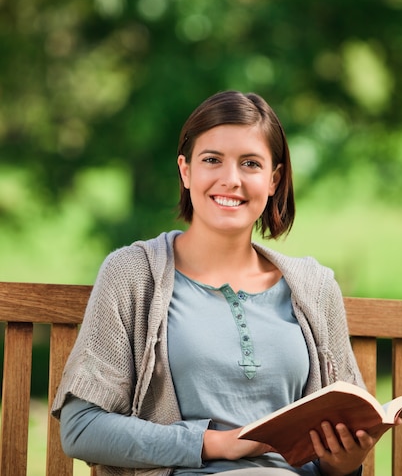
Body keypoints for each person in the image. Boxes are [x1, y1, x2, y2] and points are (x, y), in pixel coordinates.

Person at [52, 90, 384, 476]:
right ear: (186, 170)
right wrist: (216, 443)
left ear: (273, 179)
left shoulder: (314, 286)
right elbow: (82, 428)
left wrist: (343, 464)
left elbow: (346, 433)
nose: (231, 180)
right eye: (212, 160)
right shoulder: (133, 273)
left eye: (250, 164)